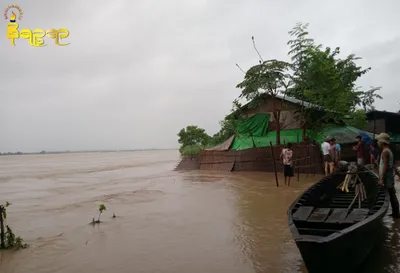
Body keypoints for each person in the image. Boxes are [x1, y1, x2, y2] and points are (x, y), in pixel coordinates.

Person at [376, 133, 400, 218]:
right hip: (388, 174)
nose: (377, 142)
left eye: (378, 141)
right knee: (391, 193)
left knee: (391, 193)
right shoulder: (388, 150)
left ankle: (396, 214)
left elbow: (385, 166)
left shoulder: (385, 151)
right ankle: (395, 213)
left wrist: (382, 178)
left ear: (382, 142)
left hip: (387, 175)